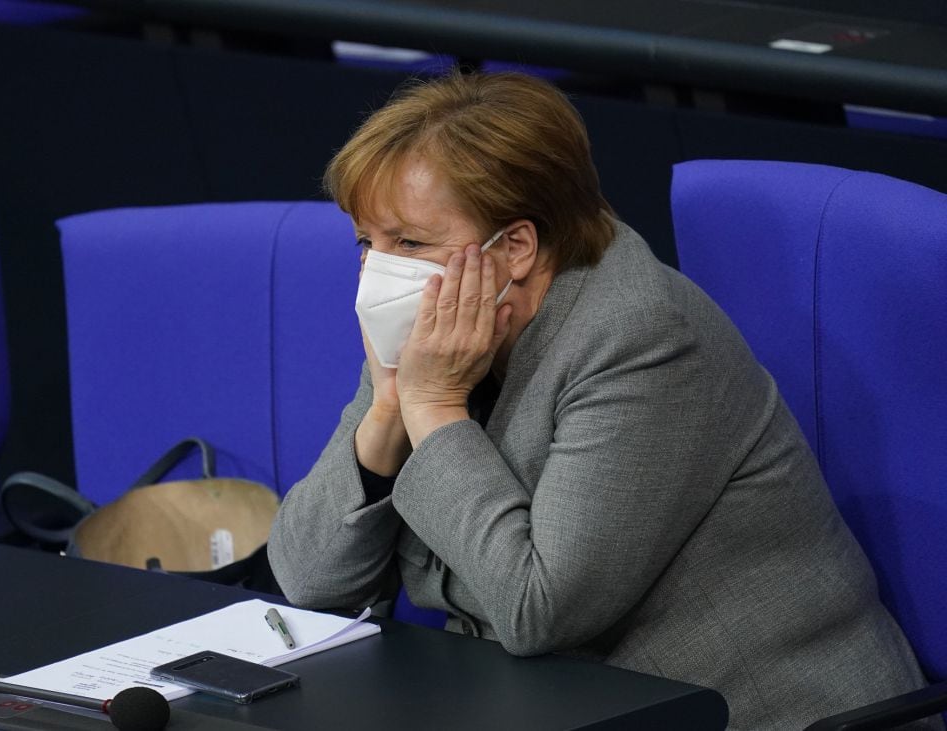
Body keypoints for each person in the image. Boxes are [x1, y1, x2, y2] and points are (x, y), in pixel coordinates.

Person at [266, 71, 937, 730]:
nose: (378, 270)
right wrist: (389, 405)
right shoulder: (435, 327)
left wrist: (434, 406)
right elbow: (310, 582)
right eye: (366, 242)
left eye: (409, 242)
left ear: (518, 247)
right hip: (547, 702)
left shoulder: (640, 338)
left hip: (753, 712)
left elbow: (537, 609)